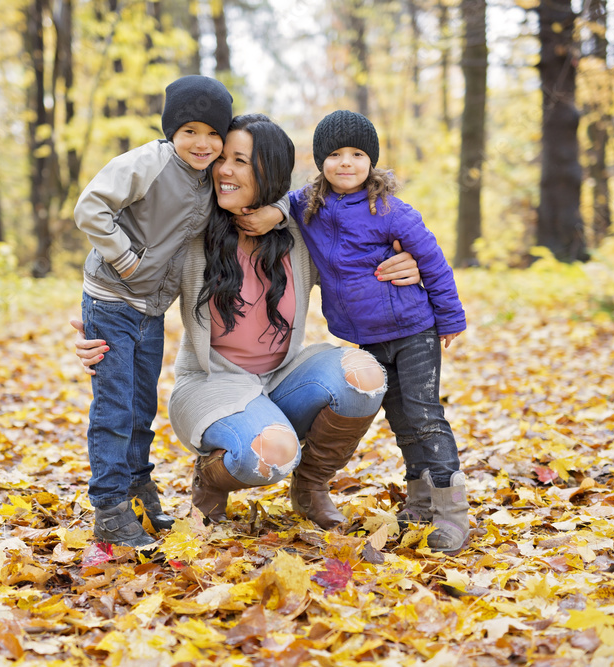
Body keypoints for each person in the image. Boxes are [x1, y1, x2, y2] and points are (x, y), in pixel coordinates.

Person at [76, 114, 422, 532]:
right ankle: (211, 475)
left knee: (365, 376)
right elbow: (129, 285)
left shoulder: (302, 230)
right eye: (224, 158)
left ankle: (310, 488)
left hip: (283, 375)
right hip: (210, 383)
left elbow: (361, 253)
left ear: (269, 171)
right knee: (271, 454)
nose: (223, 169)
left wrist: (409, 265)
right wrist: (96, 327)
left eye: (240, 161)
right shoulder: (194, 231)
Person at [74, 76, 288, 547]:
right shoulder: (148, 163)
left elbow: (292, 197)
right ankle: (109, 508)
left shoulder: (208, 182)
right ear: (172, 130)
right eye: (190, 130)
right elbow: (90, 207)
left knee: (139, 406)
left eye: (214, 133)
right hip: (112, 300)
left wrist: (278, 212)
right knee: (114, 407)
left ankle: (138, 492)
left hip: (148, 310)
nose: (203, 143)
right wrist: (124, 257)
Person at [290, 110, 470, 553]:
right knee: (402, 421)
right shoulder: (307, 206)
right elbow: (272, 205)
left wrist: (450, 318)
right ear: (319, 161)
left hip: (413, 330)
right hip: (368, 338)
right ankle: (420, 499)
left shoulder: (389, 209)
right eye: (334, 154)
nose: (345, 162)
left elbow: (433, 262)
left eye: (356, 154)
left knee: (425, 415)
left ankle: (452, 512)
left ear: (371, 160)